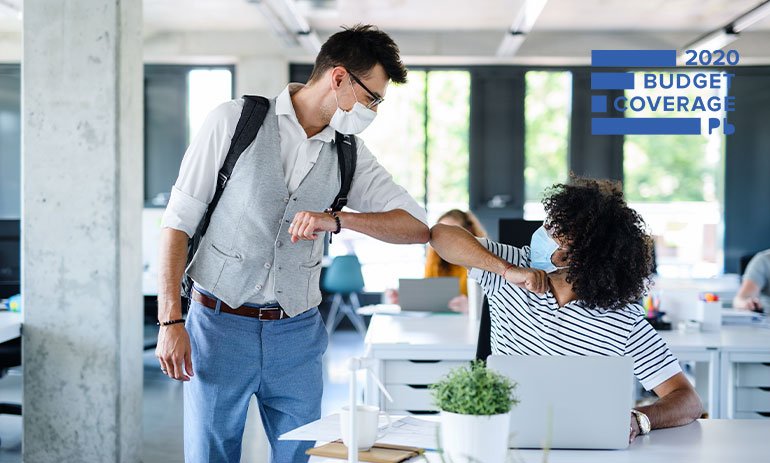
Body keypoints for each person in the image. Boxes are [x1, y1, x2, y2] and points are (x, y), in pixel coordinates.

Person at [156, 25, 429, 463]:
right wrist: (170, 322)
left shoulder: (349, 154)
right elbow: (176, 225)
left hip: (297, 333)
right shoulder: (234, 122)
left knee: (300, 457)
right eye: (372, 97)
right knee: (210, 454)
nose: (374, 109)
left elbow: (417, 226)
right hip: (218, 324)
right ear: (338, 78)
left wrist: (338, 219)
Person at [429, 177, 702, 444]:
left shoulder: (622, 319)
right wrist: (507, 270)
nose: (543, 232)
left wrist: (639, 419)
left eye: (554, 230)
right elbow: (440, 235)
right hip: (504, 440)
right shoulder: (511, 263)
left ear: (581, 255)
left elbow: (688, 400)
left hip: (586, 447)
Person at [386, 209, 486, 312]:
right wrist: (404, 299)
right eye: (441, 234)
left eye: (453, 232)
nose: (445, 240)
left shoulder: (484, 261)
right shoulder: (435, 256)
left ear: (469, 232)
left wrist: (472, 307)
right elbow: (428, 296)